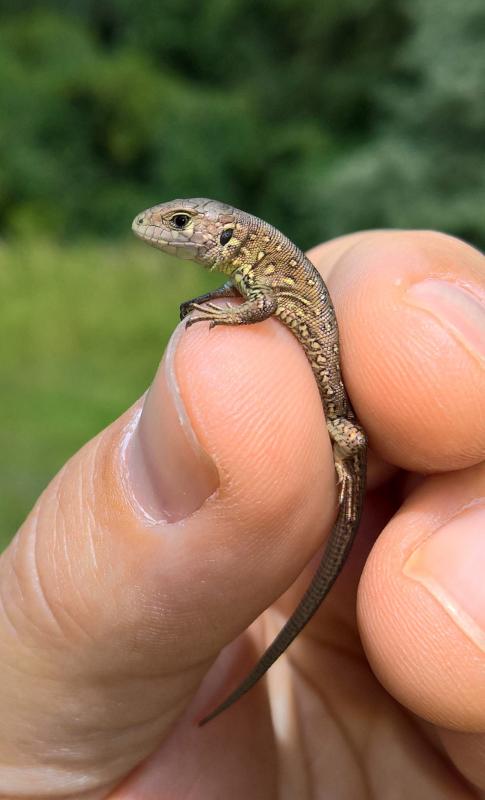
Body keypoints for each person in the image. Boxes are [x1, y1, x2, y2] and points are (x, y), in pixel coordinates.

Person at [0, 231, 483, 799]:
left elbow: (266, 303)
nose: (159, 229)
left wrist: (227, 315)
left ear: (226, 234)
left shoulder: (264, 272)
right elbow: (254, 295)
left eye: (180, 222)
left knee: (348, 439)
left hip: (341, 424)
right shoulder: (251, 267)